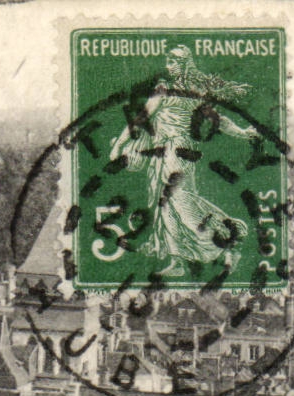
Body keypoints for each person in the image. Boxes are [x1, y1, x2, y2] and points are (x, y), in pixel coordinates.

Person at [107, 45, 262, 275]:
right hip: (169, 152)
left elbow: (141, 118)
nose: (168, 66)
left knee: (181, 202)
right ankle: (178, 261)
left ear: (183, 65)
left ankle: (229, 241)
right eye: (168, 62)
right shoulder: (188, 92)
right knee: (166, 206)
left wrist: (119, 145)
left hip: (175, 151)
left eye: (172, 62)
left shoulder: (169, 90)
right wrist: (243, 132)